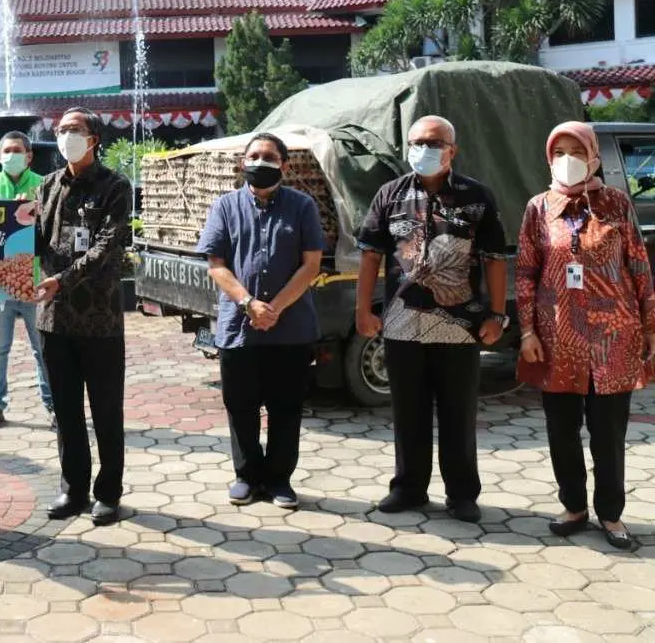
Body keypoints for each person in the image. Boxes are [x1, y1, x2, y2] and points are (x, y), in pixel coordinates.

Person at [355, 115, 508, 523]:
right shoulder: (389, 195)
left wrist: (498, 314)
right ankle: (408, 488)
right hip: (402, 324)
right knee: (408, 411)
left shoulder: (477, 197)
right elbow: (370, 256)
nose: (424, 149)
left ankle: (461, 495)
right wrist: (363, 311)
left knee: (458, 412)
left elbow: (494, 260)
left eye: (434, 142)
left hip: (460, 326)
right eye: (417, 142)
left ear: (452, 150)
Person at [516, 121, 652, 552]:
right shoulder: (538, 208)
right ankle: (573, 507)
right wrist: (526, 332)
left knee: (608, 433)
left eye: (577, 150)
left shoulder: (615, 204)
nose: (568, 159)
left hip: (615, 340)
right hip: (558, 340)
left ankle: (610, 514)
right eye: (560, 151)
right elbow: (525, 272)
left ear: (593, 155)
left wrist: (651, 329)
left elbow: (640, 268)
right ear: (549, 157)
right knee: (561, 429)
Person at [197, 133, 324, 509]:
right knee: (241, 404)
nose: (261, 162)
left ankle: (279, 479)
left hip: (291, 328)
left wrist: (276, 308)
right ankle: (247, 476)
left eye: (270, 156)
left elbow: (311, 265)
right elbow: (216, 265)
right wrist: (249, 303)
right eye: (254, 156)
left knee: (286, 407)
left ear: (284, 164)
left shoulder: (302, 206)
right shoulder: (225, 206)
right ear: (242, 163)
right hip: (239, 327)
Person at [34, 108, 133, 526]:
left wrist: (62, 279)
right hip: (54, 321)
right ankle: (73, 488)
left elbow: (107, 247)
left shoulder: (115, 186)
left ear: (94, 138)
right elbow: (36, 242)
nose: (66, 135)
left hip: (100, 320)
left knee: (106, 409)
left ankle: (108, 492)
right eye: (61, 130)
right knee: (67, 410)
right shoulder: (47, 185)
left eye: (75, 130)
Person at [0, 131, 54, 431]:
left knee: (43, 349)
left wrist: (35, 211)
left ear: (29, 155)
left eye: (17, 150)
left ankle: (54, 406)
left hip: (37, 282)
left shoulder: (45, 185)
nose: (11, 155)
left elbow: (56, 235)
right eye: (6, 150)